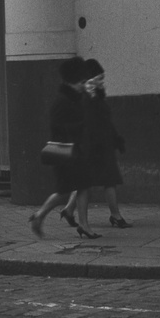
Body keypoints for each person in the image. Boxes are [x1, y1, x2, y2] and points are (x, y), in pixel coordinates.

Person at [28, 56, 101, 240]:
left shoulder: (77, 98)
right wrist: (80, 130)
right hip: (66, 154)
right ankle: (39, 216)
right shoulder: (62, 101)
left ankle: (84, 225)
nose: (83, 85)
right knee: (63, 192)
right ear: (71, 82)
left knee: (84, 187)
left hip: (78, 151)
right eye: (81, 82)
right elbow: (58, 128)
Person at [61, 59, 132, 229]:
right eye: (99, 78)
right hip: (95, 147)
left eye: (102, 78)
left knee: (88, 181)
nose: (102, 81)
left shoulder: (96, 96)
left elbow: (105, 121)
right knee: (107, 181)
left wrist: (115, 138)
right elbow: (90, 125)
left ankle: (70, 210)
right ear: (90, 79)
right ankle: (115, 216)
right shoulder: (85, 99)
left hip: (101, 145)